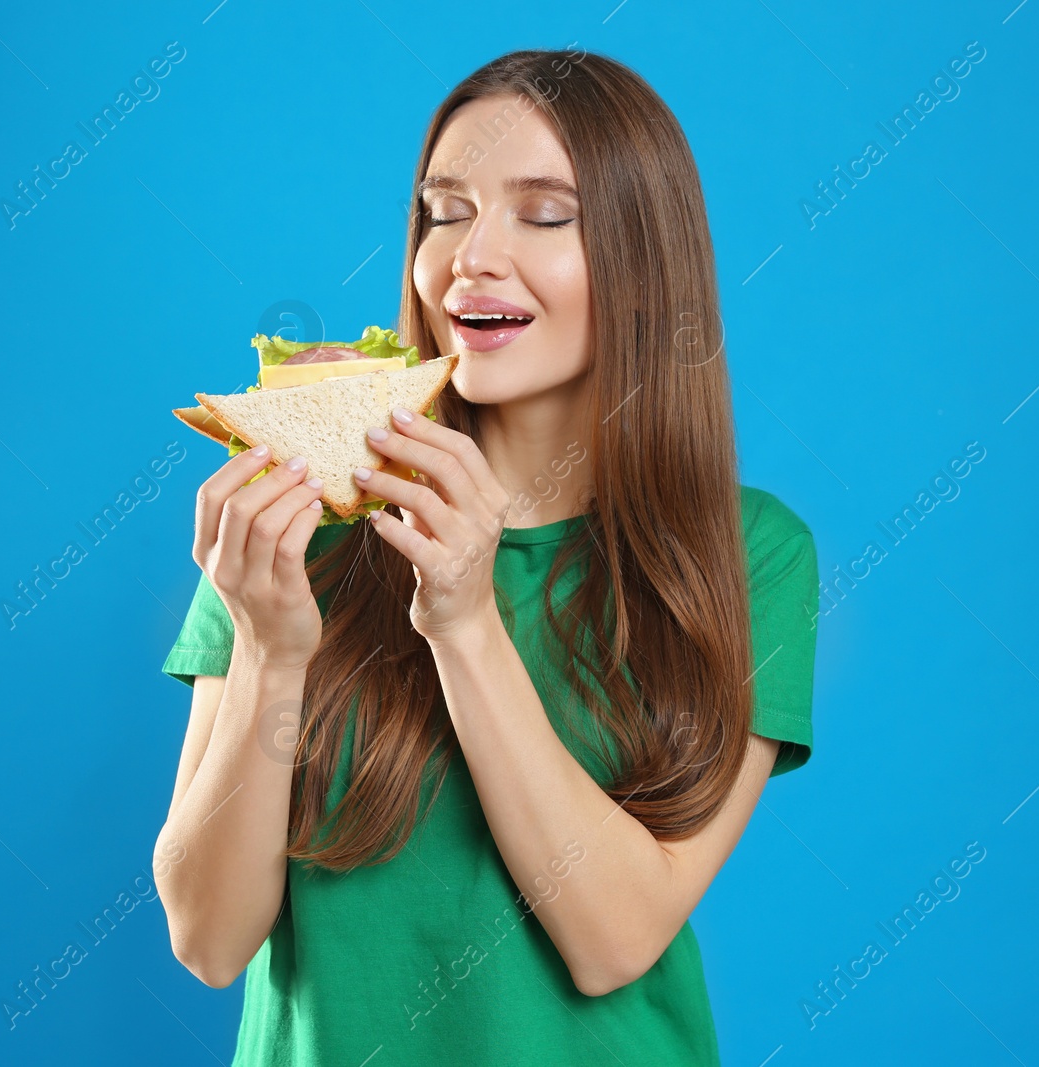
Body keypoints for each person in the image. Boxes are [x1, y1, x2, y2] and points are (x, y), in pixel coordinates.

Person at [153, 47, 819, 1066]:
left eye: (544, 214)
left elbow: (612, 938)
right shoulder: (299, 529)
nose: (470, 256)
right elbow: (207, 937)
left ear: (645, 259)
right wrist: (269, 646)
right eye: (444, 210)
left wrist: (462, 616)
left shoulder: (746, 553)